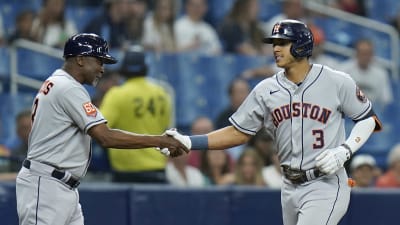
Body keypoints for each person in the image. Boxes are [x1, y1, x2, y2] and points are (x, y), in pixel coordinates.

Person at [167, 20, 382, 225]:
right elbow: (238, 132)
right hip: (289, 184)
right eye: (274, 44)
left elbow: (368, 118)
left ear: (301, 45)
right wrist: (188, 141)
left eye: (282, 43)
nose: (275, 49)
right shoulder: (265, 90)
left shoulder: (336, 81)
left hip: (325, 183)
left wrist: (345, 150)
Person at [15, 33, 188, 225]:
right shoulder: (67, 87)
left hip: (60, 185)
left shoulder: (60, 83)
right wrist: (160, 140)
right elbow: (105, 137)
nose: (102, 69)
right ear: (80, 59)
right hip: (47, 184)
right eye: (98, 61)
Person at [100, 46, 174, 183]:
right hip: (157, 168)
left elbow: (100, 129)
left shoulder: (116, 94)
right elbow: (165, 127)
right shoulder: (162, 93)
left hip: (126, 172)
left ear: (123, 69)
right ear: (146, 68)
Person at [339, 38, 393, 113]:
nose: (365, 57)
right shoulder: (343, 69)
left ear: (372, 55)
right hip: (347, 111)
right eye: (362, 53)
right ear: (356, 53)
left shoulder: (381, 74)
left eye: (368, 53)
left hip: (372, 112)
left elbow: (385, 101)